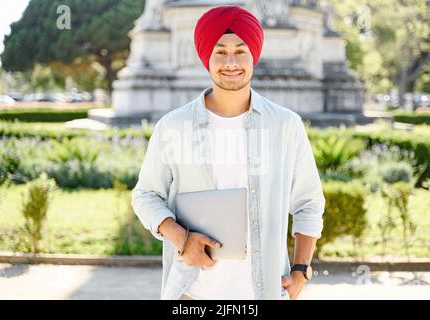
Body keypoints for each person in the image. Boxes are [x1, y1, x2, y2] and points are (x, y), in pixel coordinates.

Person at [131, 5, 325, 300]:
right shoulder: (173, 126)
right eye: (219, 52)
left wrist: (301, 270)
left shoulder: (286, 125)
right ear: (206, 58)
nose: (231, 62)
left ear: (254, 56)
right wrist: (180, 239)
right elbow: (145, 195)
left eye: (241, 51)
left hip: (263, 293)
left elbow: (309, 202)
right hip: (190, 293)